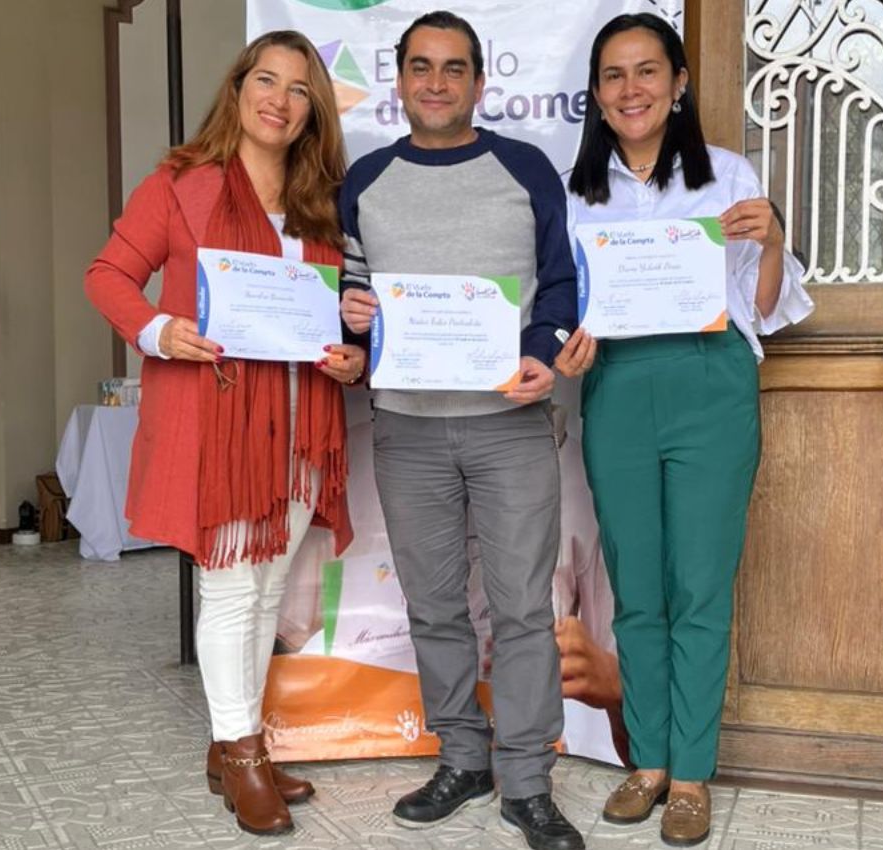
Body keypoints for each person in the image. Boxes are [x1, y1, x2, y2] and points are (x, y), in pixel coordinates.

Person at [83, 31, 365, 837]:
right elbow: (107, 275)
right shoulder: (183, 184)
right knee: (231, 588)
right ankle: (242, 754)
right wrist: (159, 329)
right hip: (217, 425)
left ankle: (232, 742)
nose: (278, 99)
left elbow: (336, 313)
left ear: (314, 111)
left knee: (269, 592)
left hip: (304, 422)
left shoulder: (321, 199)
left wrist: (350, 356)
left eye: (299, 89)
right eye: (265, 80)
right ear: (238, 88)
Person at [555, 12, 813, 847]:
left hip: (710, 383)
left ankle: (693, 772)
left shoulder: (727, 173)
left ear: (678, 84)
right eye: (614, 76)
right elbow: (565, 310)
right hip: (618, 387)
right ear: (596, 96)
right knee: (639, 587)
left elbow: (765, 307)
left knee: (700, 584)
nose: (631, 90)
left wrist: (772, 239)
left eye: (647, 72)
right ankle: (651, 762)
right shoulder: (576, 194)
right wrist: (570, 345)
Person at [337, 11, 583, 850]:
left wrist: (544, 352)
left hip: (510, 425)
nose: (436, 82)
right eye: (420, 67)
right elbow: (352, 292)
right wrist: (355, 323)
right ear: (398, 79)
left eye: (453, 68)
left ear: (480, 82)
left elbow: (560, 284)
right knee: (435, 606)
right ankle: (463, 758)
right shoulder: (364, 181)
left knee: (520, 610)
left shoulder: (525, 169)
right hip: (405, 428)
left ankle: (525, 784)